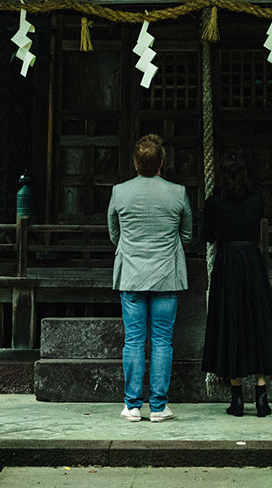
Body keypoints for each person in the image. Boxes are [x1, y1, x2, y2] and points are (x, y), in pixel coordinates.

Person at [107, 133, 192, 422]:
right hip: (166, 274)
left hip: (131, 273)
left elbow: (114, 234)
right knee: (162, 341)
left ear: (135, 163)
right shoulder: (178, 192)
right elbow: (188, 234)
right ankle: (158, 406)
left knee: (133, 340)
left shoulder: (119, 192)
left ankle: (132, 405)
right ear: (162, 163)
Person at [201, 153, 272, 417]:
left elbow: (208, 235)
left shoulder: (214, 203)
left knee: (231, 322)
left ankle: (236, 397)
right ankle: (261, 396)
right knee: (256, 321)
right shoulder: (256, 201)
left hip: (227, 262)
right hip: (251, 261)